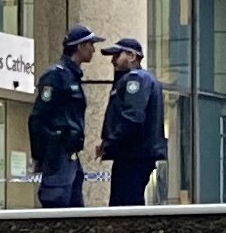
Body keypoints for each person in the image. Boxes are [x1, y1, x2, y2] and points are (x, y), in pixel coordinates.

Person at [28, 25, 99, 207]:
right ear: (80, 46)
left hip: (70, 153)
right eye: (91, 44)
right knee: (57, 200)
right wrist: (40, 155)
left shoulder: (72, 76)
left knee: (75, 208)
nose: (94, 49)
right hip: (57, 153)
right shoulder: (55, 76)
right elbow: (38, 117)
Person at [98, 35, 168, 207]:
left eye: (117, 55)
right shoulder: (142, 79)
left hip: (132, 155)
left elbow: (132, 118)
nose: (113, 61)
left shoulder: (135, 79)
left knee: (124, 207)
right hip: (136, 155)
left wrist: (109, 143)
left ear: (132, 56)